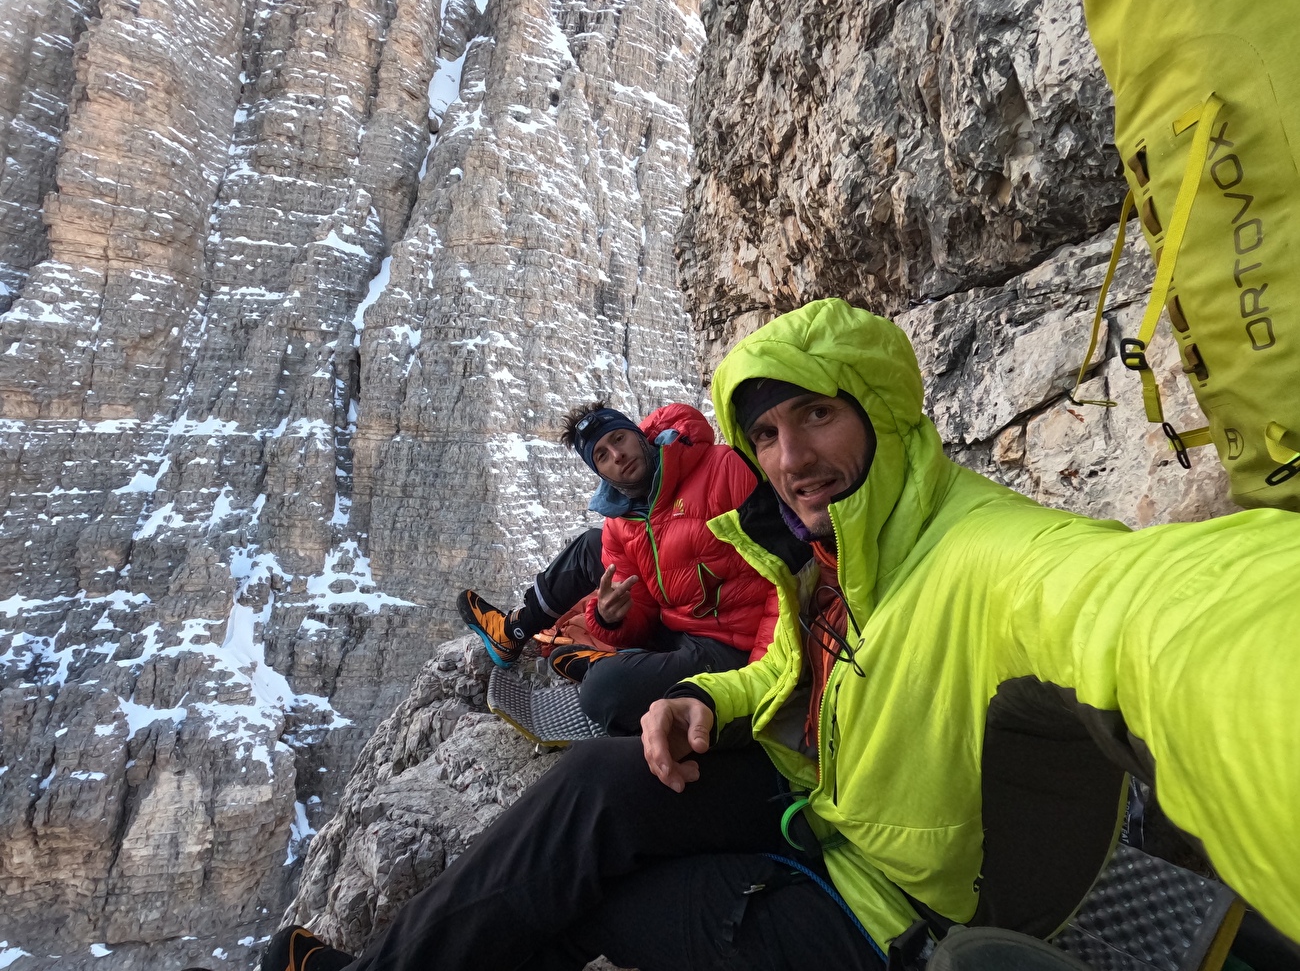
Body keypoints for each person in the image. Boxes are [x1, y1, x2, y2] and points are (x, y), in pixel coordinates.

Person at [268, 299, 1299, 971]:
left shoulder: (990, 551)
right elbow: (791, 661)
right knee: (592, 789)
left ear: (879, 411)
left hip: (892, 909)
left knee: (590, 901)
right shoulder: (857, 545)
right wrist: (702, 699)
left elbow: (1154, 612)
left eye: (816, 417)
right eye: (766, 431)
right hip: (824, 800)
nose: (790, 456)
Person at [459, 400, 777, 734]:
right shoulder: (621, 521)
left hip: (730, 643)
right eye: (602, 455)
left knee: (603, 692)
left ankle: (621, 667)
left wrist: (761, 675)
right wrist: (609, 618)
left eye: (619, 438)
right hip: (676, 627)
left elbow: (784, 572)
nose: (617, 455)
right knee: (590, 545)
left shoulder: (724, 468)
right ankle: (516, 631)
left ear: (638, 433)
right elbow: (642, 613)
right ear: (599, 472)